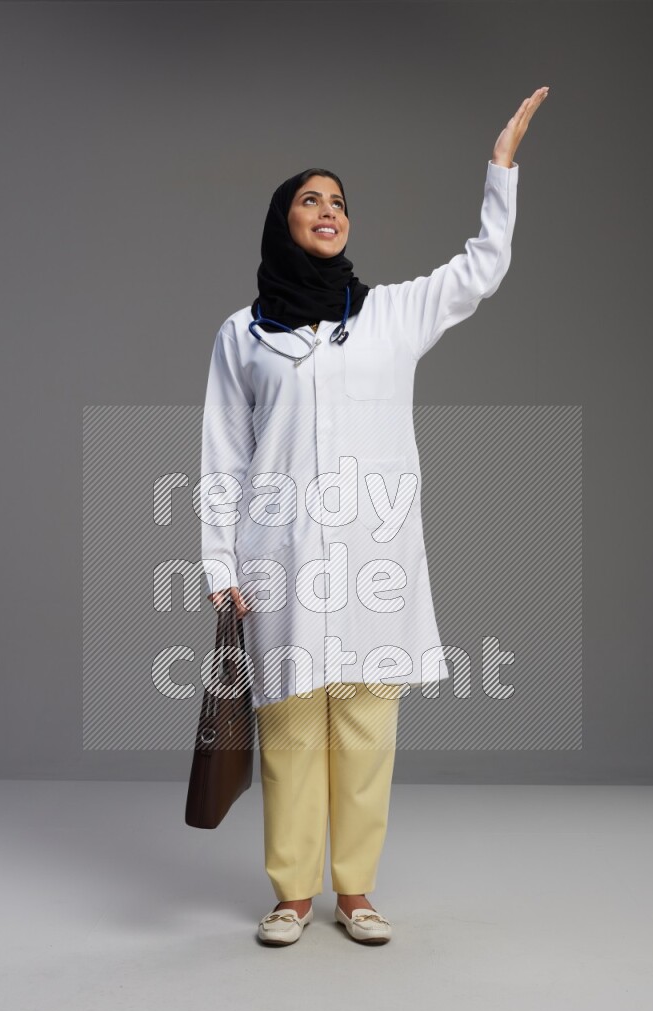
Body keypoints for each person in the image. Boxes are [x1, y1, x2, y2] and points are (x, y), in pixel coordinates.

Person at [200, 87, 549, 946]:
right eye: (309, 200)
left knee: (365, 725)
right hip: (278, 557)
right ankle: (291, 892)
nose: (327, 211)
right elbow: (222, 456)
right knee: (288, 731)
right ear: (283, 221)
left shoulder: (390, 314)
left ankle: (353, 890)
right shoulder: (244, 334)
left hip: (374, 558)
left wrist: (500, 167)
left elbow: (480, 269)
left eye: (338, 202)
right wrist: (220, 565)